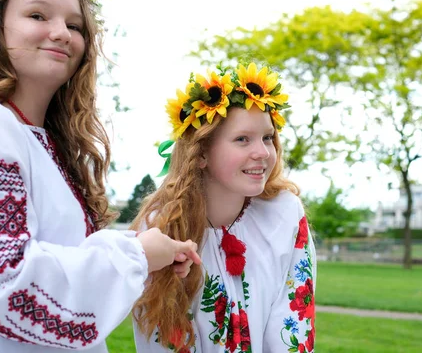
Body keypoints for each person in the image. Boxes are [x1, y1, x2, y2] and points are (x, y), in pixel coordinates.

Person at [0, 0, 200, 352]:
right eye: (38, 16)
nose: (61, 33)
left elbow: (55, 260)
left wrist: (148, 253)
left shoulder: (43, 142)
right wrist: (134, 255)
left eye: (74, 25)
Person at [132, 63, 317, 352]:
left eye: (267, 137)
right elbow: (165, 337)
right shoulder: (163, 230)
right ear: (201, 152)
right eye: (243, 139)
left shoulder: (285, 214)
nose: (262, 153)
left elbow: (293, 322)